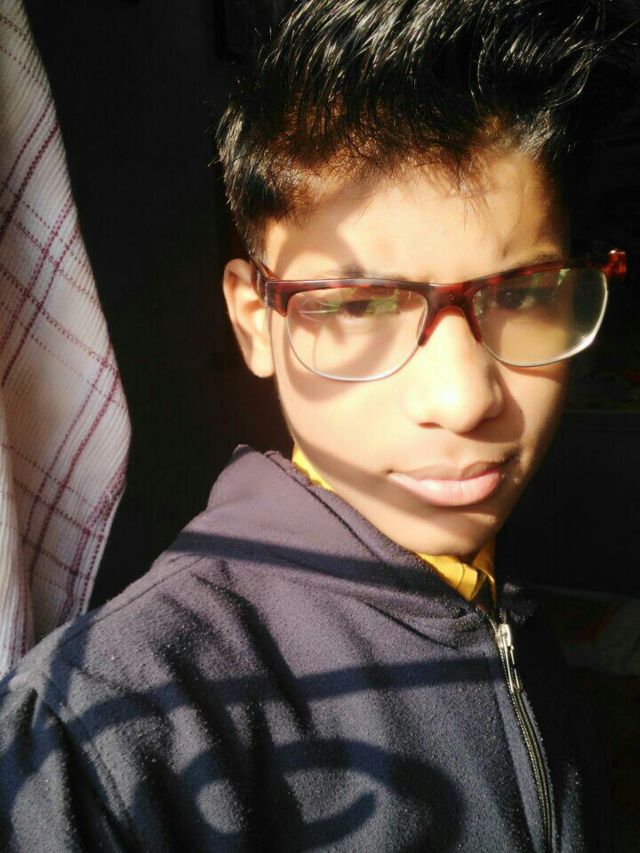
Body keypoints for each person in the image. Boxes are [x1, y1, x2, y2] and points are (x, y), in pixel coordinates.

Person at [0, 1, 634, 850]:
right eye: (359, 305)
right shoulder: (105, 740)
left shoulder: (492, 597)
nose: (463, 397)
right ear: (255, 322)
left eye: (520, 294)